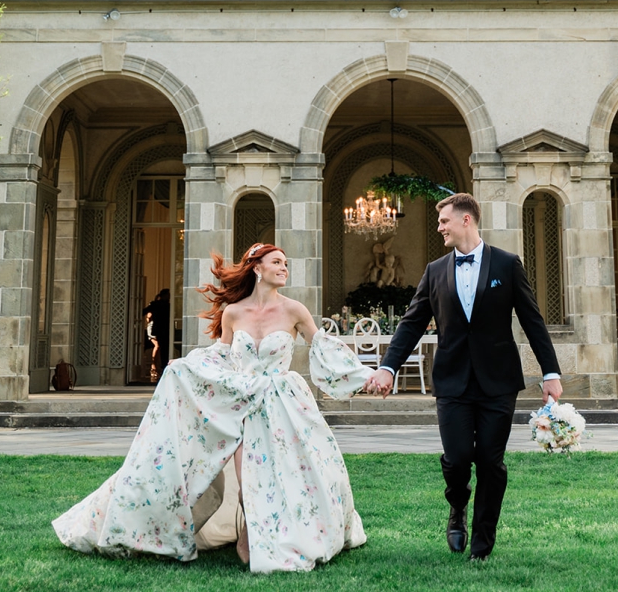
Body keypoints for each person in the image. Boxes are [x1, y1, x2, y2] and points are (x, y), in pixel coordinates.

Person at [53, 244, 371, 573]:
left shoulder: (294, 310)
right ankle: (249, 532)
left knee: (293, 470)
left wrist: (365, 376)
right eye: (277, 262)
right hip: (241, 401)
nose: (284, 268)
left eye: (286, 263)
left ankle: (294, 529)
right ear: (257, 268)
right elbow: (221, 355)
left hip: (283, 402)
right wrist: (183, 365)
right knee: (245, 468)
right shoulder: (233, 313)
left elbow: (323, 347)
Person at [363, 192, 563, 561]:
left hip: (498, 381)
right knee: (456, 459)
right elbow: (411, 324)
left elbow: (533, 321)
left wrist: (550, 372)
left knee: (490, 461)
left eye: (444, 221)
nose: (439, 227)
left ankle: (482, 546)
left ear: (466, 220)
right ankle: (457, 510)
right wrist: (388, 367)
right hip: (452, 381)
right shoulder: (435, 271)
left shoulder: (507, 264)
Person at [143, 288, 170, 381]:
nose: (169, 297)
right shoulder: (158, 304)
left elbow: (144, 311)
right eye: (168, 295)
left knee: (164, 349)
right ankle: (161, 367)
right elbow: (145, 313)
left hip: (163, 330)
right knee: (162, 349)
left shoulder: (159, 304)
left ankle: (162, 368)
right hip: (161, 330)